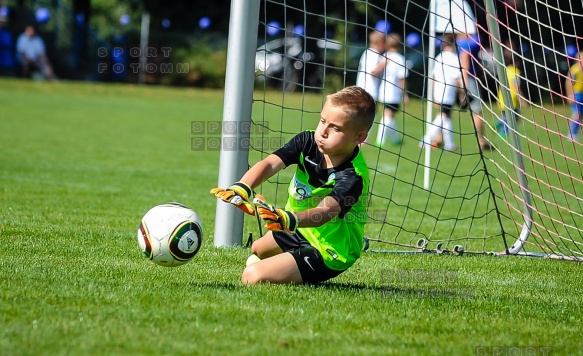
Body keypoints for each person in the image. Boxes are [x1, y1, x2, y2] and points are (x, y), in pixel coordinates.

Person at [210, 86, 375, 285]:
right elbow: (270, 163)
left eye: (336, 128)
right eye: (322, 121)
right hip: (297, 230)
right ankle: (290, 262)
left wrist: (287, 219)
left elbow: (325, 212)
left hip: (327, 250)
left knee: (252, 276)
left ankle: (304, 265)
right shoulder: (307, 141)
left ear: (359, 137)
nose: (322, 132)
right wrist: (242, 187)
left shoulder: (353, 176)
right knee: (257, 250)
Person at [421, 33, 466, 151]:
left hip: (438, 90)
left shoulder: (439, 57)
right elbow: (457, 77)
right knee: (443, 116)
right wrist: (462, 92)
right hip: (448, 91)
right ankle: (426, 140)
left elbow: (433, 77)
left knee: (446, 117)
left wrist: (432, 94)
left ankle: (449, 144)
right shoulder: (455, 58)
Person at [371, 33, 409, 146]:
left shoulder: (384, 56)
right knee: (388, 115)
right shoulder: (400, 59)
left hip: (383, 90)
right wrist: (405, 94)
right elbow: (402, 78)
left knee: (390, 115)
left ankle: (395, 139)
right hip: (394, 92)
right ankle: (380, 140)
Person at [456, 32, 491, 150]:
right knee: (477, 111)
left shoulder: (457, 41)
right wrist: (464, 83)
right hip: (469, 79)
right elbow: (465, 58)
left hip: (462, 78)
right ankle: (481, 141)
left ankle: (438, 138)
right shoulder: (467, 43)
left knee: (445, 111)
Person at [496, 45, 527, 136]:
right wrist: (522, 99)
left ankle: (500, 123)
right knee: (515, 118)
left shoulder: (505, 70)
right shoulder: (515, 71)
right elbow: (516, 85)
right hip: (512, 99)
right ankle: (502, 130)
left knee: (508, 116)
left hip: (502, 97)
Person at [356, 30, 386, 101]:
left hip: (363, 88)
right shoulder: (373, 54)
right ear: (380, 43)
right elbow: (372, 72)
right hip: (369, 89)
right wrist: (384, 63)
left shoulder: (367, 52)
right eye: (384, 43)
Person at [564, 51, 583, 142]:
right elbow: (568, 82)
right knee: (577, 114)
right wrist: (570, 95)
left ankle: (575, 133)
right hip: (577, 94)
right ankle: (571, 134)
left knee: (580, 115)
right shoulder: (575, 70)